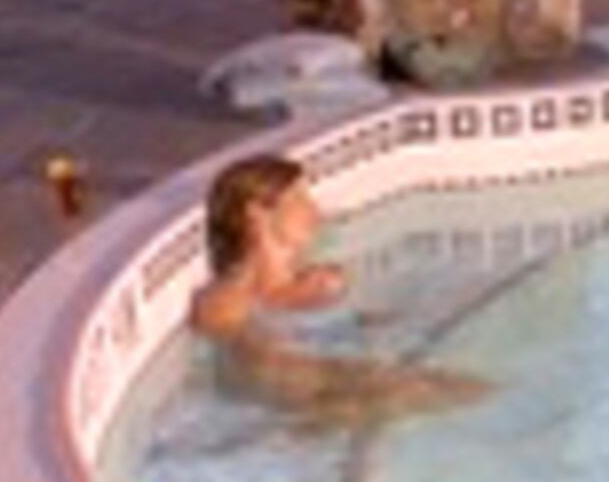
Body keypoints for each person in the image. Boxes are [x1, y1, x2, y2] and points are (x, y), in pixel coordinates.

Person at [192, 154, 486, 419]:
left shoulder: (326, 282)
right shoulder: (227, 301)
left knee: (471, 390)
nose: (315, 212)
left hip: (335, 385)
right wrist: (355, 380)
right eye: (298, 200)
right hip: (299, 406)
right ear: (256, 213)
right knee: (454, 395)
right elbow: (254, 376)